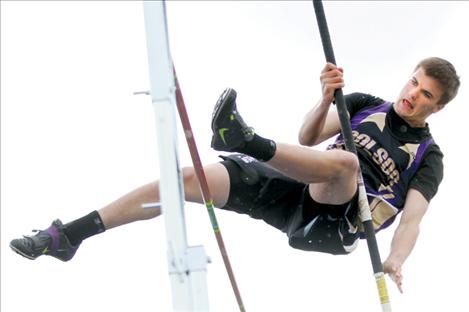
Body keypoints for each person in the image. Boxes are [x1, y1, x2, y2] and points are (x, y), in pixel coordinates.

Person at [10, 57, 460, 293]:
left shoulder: (427, 157)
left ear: (437, 107)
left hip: (333, 223)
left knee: (346, 165)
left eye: (425, 95)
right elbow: (306, 136)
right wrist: (325, 98)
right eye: (413, 83)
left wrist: (396, 260)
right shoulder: (365, 103)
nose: (412, 95)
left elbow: (413, 219)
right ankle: (68, 236)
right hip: (298, 186)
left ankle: (244, 140)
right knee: (187, 178)